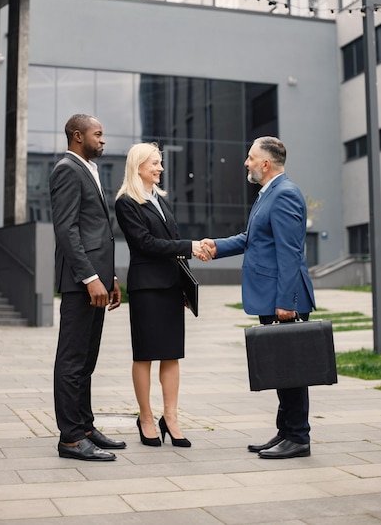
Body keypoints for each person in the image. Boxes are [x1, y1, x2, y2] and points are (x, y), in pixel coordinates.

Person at [201, 136, 315, 459]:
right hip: (272, 298)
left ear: (266, 164)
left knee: (292, 370)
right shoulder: (269, 194)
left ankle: (298, 437)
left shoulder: (285, 195)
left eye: (250, 158)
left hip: (284, 300)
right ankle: (286, 433)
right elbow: (253, 239)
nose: (246, 163)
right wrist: (217, 246)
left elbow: (290, 254)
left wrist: (286, 303)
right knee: (283, 367)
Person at [115, 142, 203, 448]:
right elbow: (145, 244)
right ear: (138, 166)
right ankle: (147, 418)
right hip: (146, 289)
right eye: (154, 163)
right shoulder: (127, 202)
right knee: (145, 355)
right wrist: (188, 246)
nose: (160, 168)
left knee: (171, 354)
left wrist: (184, 285)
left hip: (169, 287)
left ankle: (171, 417)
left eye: (160, 163)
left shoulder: (160, 200)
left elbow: (172, 240)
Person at [49, 113, 126, 461]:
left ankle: (84, 426)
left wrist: (108, 277)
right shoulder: (67, 169)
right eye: (98, 134)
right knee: (72, 359)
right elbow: (67, 231)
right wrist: (90, 278)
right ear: (78, 136)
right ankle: (69, 439)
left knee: (87, 360)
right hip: (82, 283)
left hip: (96, 281)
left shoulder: (88, 169)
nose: (103, 140)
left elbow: (95, 231)